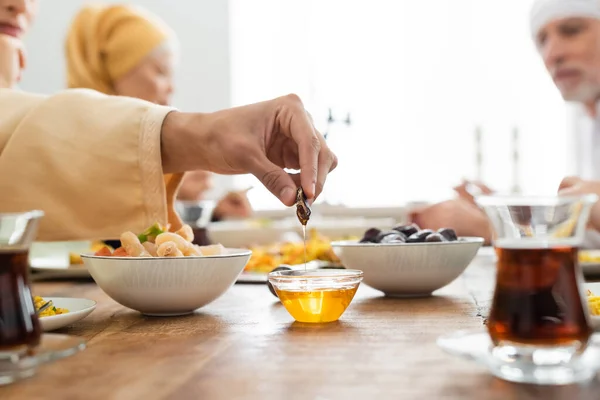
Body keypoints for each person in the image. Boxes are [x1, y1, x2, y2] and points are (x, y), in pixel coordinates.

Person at [0, 0, 336, 241]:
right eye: (159, 72)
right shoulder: (58, 132)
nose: (20, 5)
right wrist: (198, 140)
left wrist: (201, 205)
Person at [411, 0, 600, 244]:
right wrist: (504, 214)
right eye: (542, 40)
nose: (553, 54)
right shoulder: (586, 119)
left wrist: (493, 229)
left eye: (572, 30)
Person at [65, 3, 252, 221]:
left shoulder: (136, 142)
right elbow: (110, 233)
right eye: (162, 72)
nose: (171, 88)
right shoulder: (75, 143)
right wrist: (164, 191)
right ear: (113, 69)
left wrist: (209, 212)